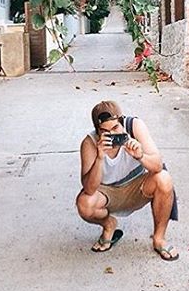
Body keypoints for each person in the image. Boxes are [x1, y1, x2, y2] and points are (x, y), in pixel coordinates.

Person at [76, 100, 179, 261]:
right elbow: (89, 189)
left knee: (164, 179)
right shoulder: (89, 143)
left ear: (122, 121)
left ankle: (159, 238)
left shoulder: (135, 127)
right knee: (84, 204)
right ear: (97, 131)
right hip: (107, 193)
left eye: (116, 128)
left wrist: (140, 156)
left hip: (137, 187)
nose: (113, 135)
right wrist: (99, 158)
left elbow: (158, 165)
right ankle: (109, 225)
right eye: (105, 131)